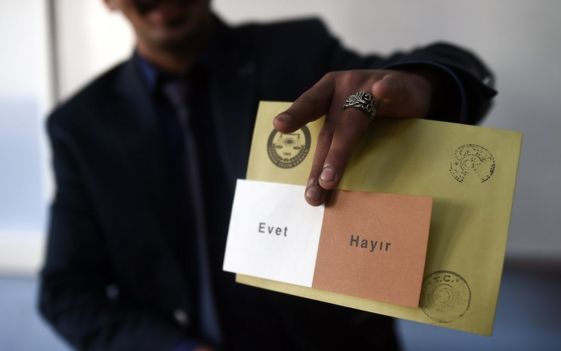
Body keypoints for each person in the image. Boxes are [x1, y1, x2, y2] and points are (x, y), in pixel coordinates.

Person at [38, 0, 497, 350]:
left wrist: (421, 84)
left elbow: (456, 66)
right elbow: (66, 293)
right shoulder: (80, 126)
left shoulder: (298, 51)